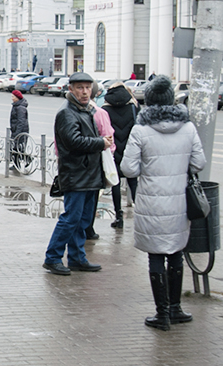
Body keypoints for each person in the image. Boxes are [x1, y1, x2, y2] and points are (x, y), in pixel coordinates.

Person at [120, 75, 206, 331]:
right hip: (179, 202)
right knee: (176, 253)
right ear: (171, 99)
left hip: (151, 204)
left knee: (156, 255)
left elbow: (129, 169)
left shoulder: (141, 129)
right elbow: (199, 164)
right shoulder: (188, 127)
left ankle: (162, 315)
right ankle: (176, 308)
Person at [43, 72, 112, 276]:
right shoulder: (67, 112)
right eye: (80, 88)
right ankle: (53, 257)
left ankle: (77, 257)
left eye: (87, 88)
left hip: (88, 175)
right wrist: (101, 142)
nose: (84, 92)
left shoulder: (85, 110)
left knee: (82, 220)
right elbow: (73, 141)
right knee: (70, 219)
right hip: (76, 175)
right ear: (71, 89)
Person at [103, 81, 139, 228]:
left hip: (113, 150)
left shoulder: (105, 109)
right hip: (130, 150)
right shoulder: (132, 107)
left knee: (115, 184)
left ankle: (119, 216)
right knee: (133, 181)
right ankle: (141, 212)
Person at [83, 82, 115, 240]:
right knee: (93, 195)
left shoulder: (70, 112)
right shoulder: (100, 113)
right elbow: (109, 138)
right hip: (96, 161)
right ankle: (88, 228)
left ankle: (80, 228)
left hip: (78, 163)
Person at [9, 89, 29, 170]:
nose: (12, 98)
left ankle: (24, 161)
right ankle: (17, 164)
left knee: (18, 148)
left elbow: (21, 121)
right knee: (16, 147)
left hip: (21, 131)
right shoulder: (16, 105)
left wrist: (17, 133)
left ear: (17, 97)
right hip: (15, 130)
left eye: (13, 96)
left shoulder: (20, 108)